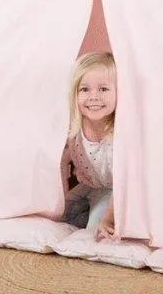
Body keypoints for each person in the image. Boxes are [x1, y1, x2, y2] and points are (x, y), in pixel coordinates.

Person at [60, 51, 118, 241]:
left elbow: (125, 182)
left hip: (114, 190)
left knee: (95, 233)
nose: (94, 97)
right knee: (60, 213)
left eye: (103, 89)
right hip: (89, 184)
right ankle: (87, 210)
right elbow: (61, 161)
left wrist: (108, 220)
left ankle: (99, 215)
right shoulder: (74, 127)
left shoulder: (119, 133)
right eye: (85, 89)